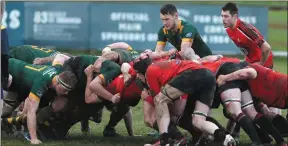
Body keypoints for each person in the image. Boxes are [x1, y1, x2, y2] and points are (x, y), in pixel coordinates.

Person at [133, 55, 235, 146]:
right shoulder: (165, 68)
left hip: (193, 73)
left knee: (160, 100)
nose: (137, 76)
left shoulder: (149, 71)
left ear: (142, 71)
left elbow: (158, 99)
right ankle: (223, 137)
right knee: (198, 121)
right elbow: (178, 108)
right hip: (208, 76)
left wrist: (147, 96)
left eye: (137, 73)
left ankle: (164, 140)